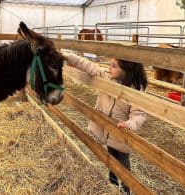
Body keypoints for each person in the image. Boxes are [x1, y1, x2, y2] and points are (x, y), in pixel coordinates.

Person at [62, 52, 148, 195]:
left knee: (123, 161)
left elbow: (139, 114)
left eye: (114, 66)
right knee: (110, 156)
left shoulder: (136, 90)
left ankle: (126, 188)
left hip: (121, 133)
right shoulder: (107, 78)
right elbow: (87, 65)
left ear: (126, 69)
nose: (109, 68)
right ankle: (113, 183)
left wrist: (129, 124)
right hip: (107, 130)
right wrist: (66, 56)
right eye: (110, 64)